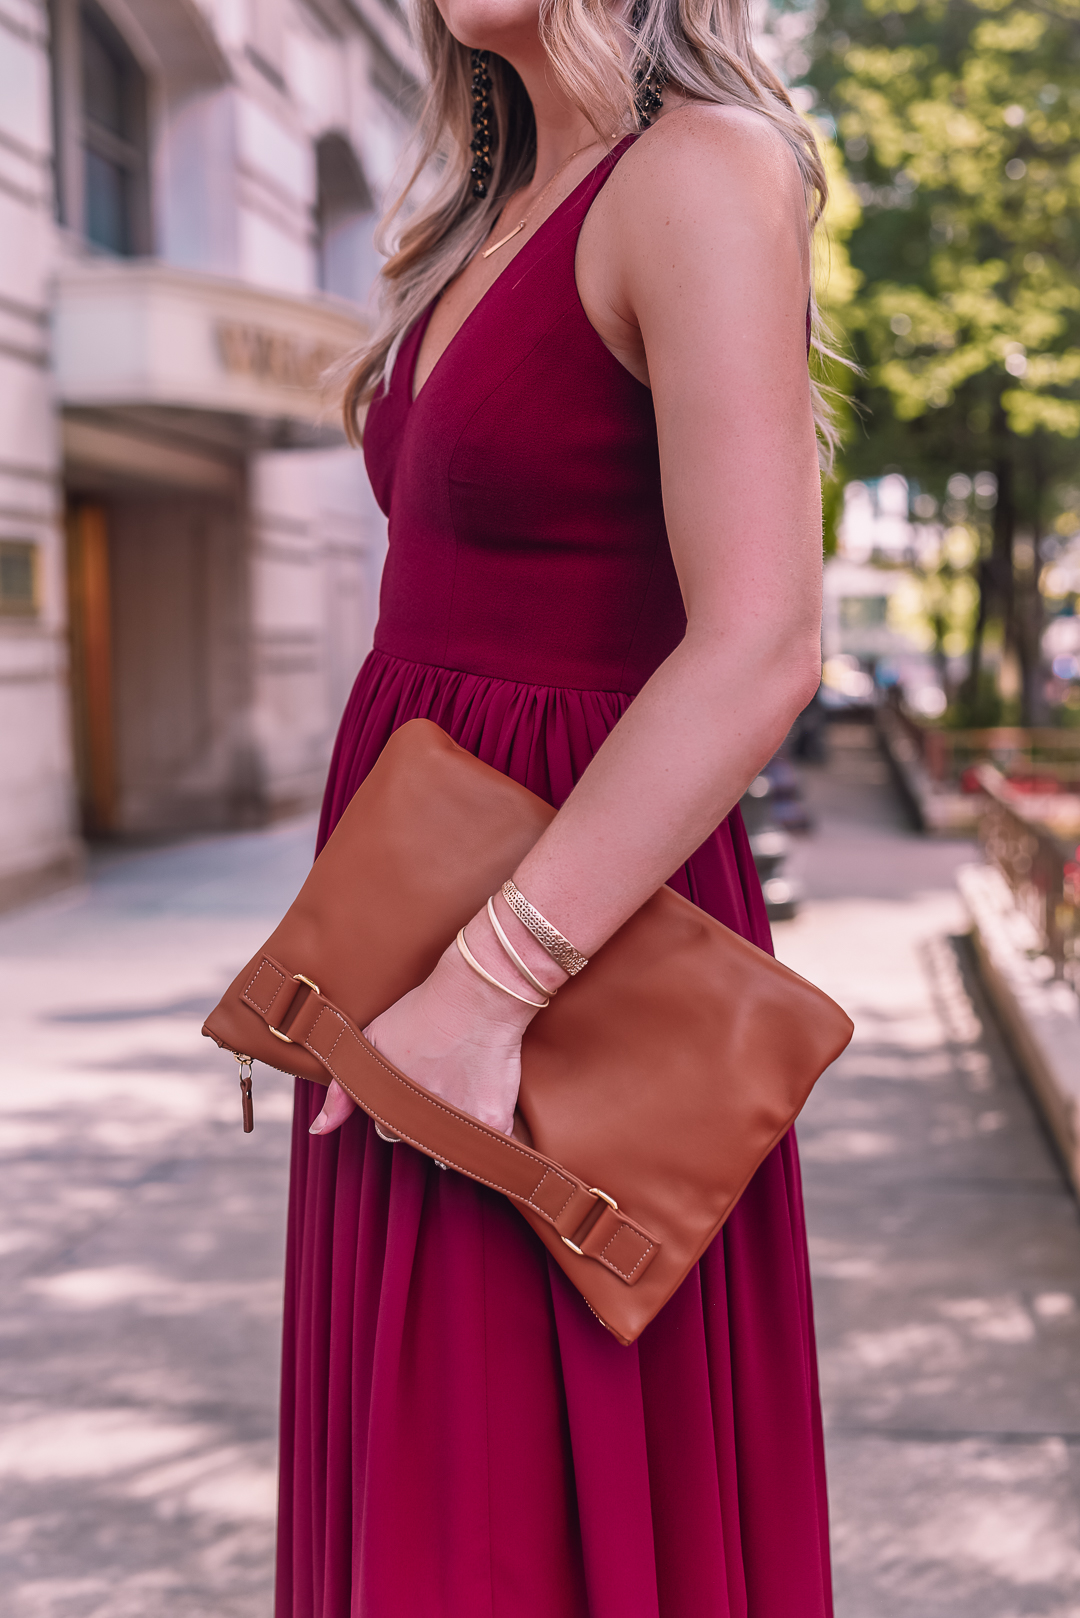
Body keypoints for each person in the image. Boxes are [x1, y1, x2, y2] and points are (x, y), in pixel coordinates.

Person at [276, 0, 832, 1607]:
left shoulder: (698, 172)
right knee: (430, 1474)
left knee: (513, 1501)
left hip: (557, 949)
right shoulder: (491, 209)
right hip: (425, 926)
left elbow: (762, 643)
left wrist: (485, 985)